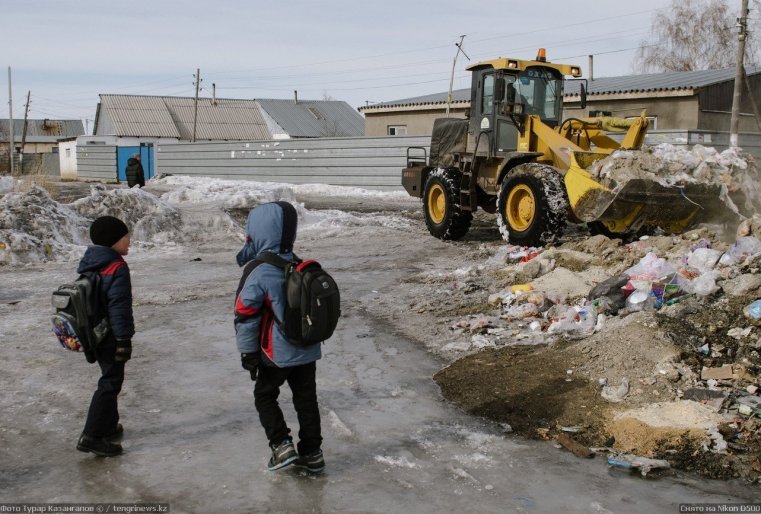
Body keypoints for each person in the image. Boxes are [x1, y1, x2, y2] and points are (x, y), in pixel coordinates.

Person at [234, 201, 324, 473]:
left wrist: (248, 353)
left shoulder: (259, 270)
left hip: (276, 354)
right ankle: (312, 453)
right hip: (307, 350)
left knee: (265, 396)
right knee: (306, 400)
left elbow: (245, 313)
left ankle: (281, 444)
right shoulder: (301, 265)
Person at [76, 216, 135, 457]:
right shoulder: (116, 266)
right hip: (110, 335)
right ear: (113, 242)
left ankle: (108, 426)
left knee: (109, 377)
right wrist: (123, 339)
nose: (129, 242)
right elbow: (119, 306)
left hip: (94, 332)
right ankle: (92, 436)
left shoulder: (91, 262)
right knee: (110, 383)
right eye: (125, 238)